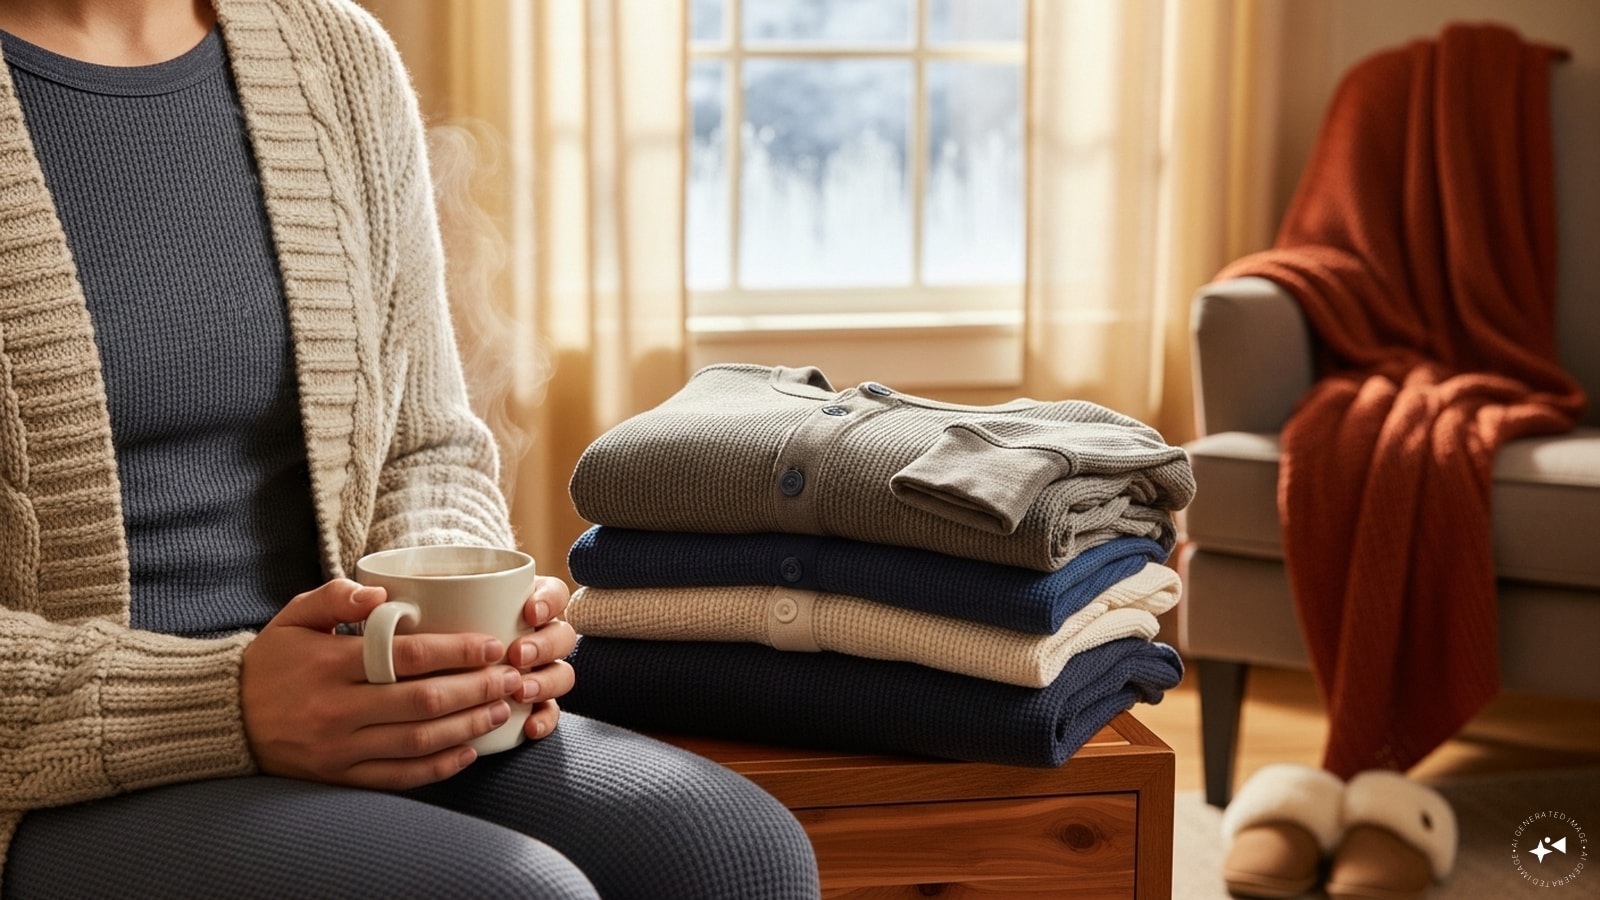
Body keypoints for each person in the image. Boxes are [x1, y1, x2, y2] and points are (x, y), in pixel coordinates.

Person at [0, 0, 820, 896]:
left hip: (360, 698)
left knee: (735, 853)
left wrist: (458, 609)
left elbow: (424, 446)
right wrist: (226, 700)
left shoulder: (333, 56)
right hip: (57, 778)